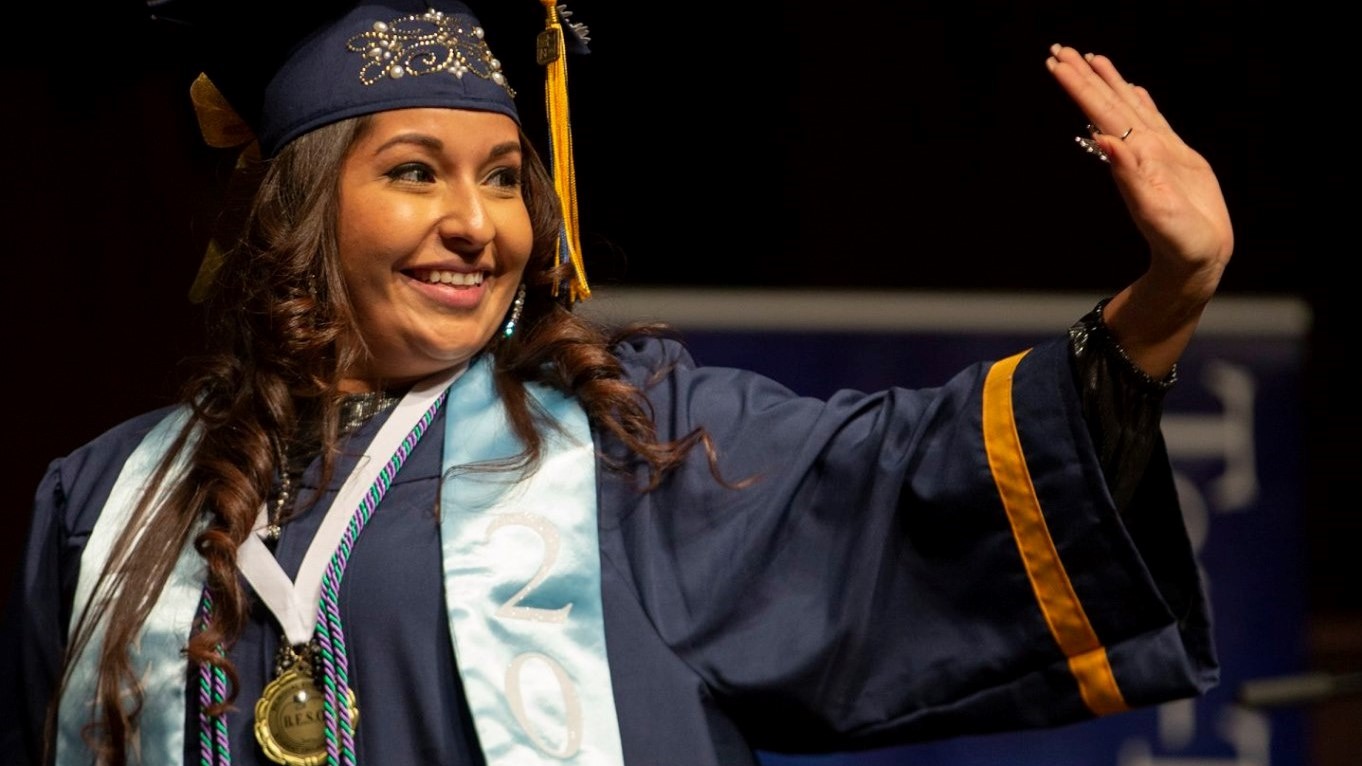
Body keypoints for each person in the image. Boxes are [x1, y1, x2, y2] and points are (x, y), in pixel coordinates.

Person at [0, 1, 1230, 764]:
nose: (479, 223)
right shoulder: (107, 500)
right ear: (301, 211)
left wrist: (1166, 295)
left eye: (501, 177)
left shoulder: (634, 451)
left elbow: (910, 477)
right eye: (418, 173)